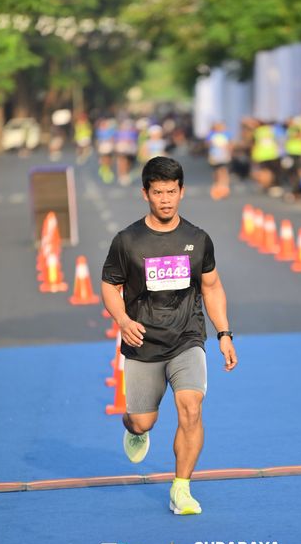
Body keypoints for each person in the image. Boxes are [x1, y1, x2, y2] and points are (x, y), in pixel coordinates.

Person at [101, 156, 238, 515]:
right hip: (142, 342)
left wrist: (224, 333)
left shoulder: (197, 239)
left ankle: (181, 488)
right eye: (158, 192)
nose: (165, 200)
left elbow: (211, 287)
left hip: (187, 337)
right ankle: (134, 429)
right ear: (145, 193)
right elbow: (109, 285)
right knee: (142, 420)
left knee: (191, 408)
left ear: (182, 192)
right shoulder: (127, 241)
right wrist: (123, 320)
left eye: (171, 192)